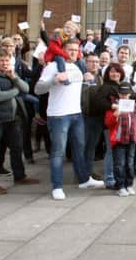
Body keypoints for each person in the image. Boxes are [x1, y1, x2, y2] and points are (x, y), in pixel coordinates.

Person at [35, 38, 104, 200]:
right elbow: (38, 89)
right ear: (63, 50)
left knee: (79, 149)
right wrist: (54, 80)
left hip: (76, 114)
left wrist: (87, 79)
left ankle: (84, 180)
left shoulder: (77, 66)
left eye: (76, 50)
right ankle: (57, 186)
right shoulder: (53, 67)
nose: (73, 52)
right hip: (59, 116)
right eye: (70, 49)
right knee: (58, 152)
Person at [0, 46, 39, 194]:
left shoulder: (9, 74)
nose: (5, 63)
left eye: (7, 60)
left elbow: (25, 88)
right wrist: (15, 91)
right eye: (1, 61)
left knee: (17, 148)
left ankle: (19, 176)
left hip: (11, 119)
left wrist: (14, 77)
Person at [104, 82, 136, 197]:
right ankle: (120, 186)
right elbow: (107, 123)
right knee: (119, 163)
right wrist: (115, 115)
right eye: (121, 94)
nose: (123, 96)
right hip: (119, 139)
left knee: (130, 163)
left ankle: (129, 184)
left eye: (126, 94)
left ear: (130, 94)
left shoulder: (134, 105)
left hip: (131, 138)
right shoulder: (114, 105)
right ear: (118, 94)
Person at [81, 53, 105, 180]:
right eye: (91, 61)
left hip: (97, 117)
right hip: (84, 117)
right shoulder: (80, 77)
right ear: (86, 63)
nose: (94, 64)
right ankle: (81, 173)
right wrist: (85, 82)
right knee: (82, 146)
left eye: (96, 62)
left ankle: (88, 172)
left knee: (91, 146)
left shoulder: (101, 78)